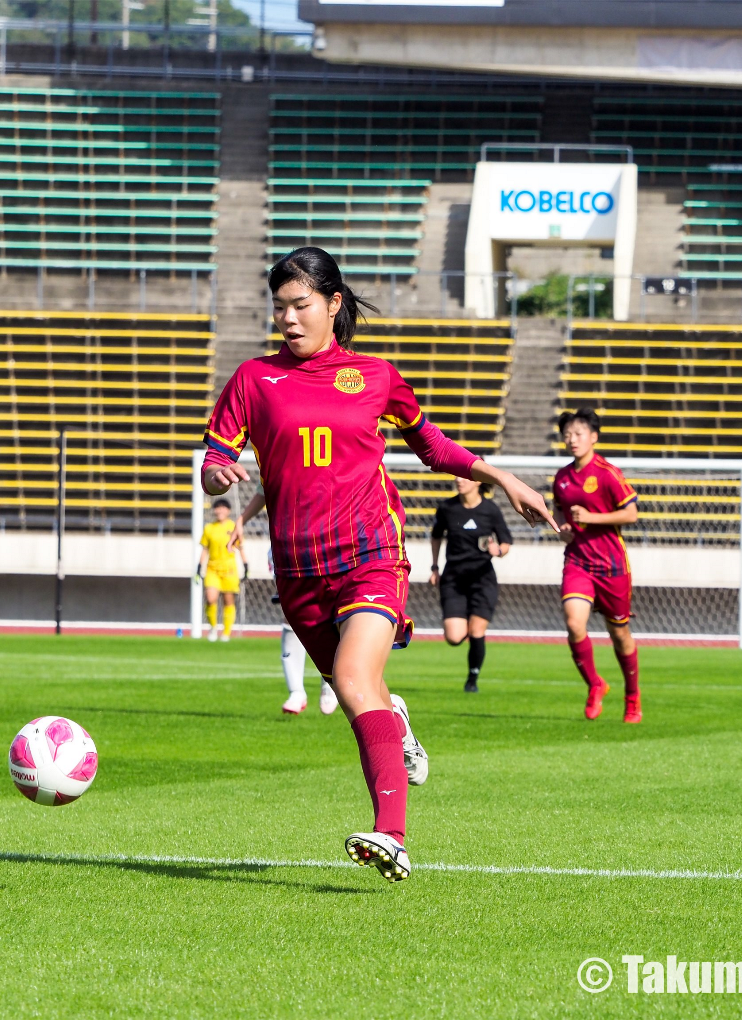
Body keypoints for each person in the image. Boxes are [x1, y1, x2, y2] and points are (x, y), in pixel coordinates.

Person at [201, 246, 556, 881]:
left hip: (371, 554)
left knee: (353, 678)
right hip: (298, 569)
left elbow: (433, 446)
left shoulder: (374, 375)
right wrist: (219, 473)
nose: (287, 318)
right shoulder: (254, 380)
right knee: (357, 687)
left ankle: (392, 835)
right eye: (279, 307)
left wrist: (501, 476)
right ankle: (399, 723)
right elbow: (214, 461)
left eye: (300, 305)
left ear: (334, 306)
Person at [552, 408, 641, 723]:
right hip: (578, 562)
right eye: (567, 435)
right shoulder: (562, 477)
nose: (572, 440)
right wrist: (562, 528)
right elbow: (559, 511)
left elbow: (631, 514)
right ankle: (595, 684)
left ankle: (632, 698)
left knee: (620, 634)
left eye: (578, 434)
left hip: (612, 565)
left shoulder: (608, 473)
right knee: (575, 624)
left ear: (593, 437)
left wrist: (592, 518)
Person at [232, 492, 339, 716]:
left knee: (333, 617)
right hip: (286, 546)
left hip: (330, 542)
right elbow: (264, 490)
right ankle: (296, 691)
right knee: (291, 613)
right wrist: (242, 520)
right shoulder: (278, 459)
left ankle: (330, 685)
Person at [430, 476, 513, 693]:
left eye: (465, 476)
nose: (459, 480)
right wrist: (434, 567)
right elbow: (436, 536)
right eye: (457, 475)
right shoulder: (447, 508)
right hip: (453, 579)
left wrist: (499, 550)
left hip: (482, 579)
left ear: (478, 481)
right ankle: (466, 622)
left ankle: (472, 679)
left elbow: (506, 541)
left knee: (477, 629)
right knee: (454, 636)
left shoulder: (491, 510)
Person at [197, 498, 248, 642]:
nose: (220, 511)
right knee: (210, 598)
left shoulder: (233, 527)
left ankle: (226, 633)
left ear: (228, 511)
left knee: (228, 600)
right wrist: (199, 567)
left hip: (229, 570)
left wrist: (246, 565)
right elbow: (205, 549)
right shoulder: (209, 528)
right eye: (217, 508)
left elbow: (240, 547)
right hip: (212, 568)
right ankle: (213, 628)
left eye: (223, 508)